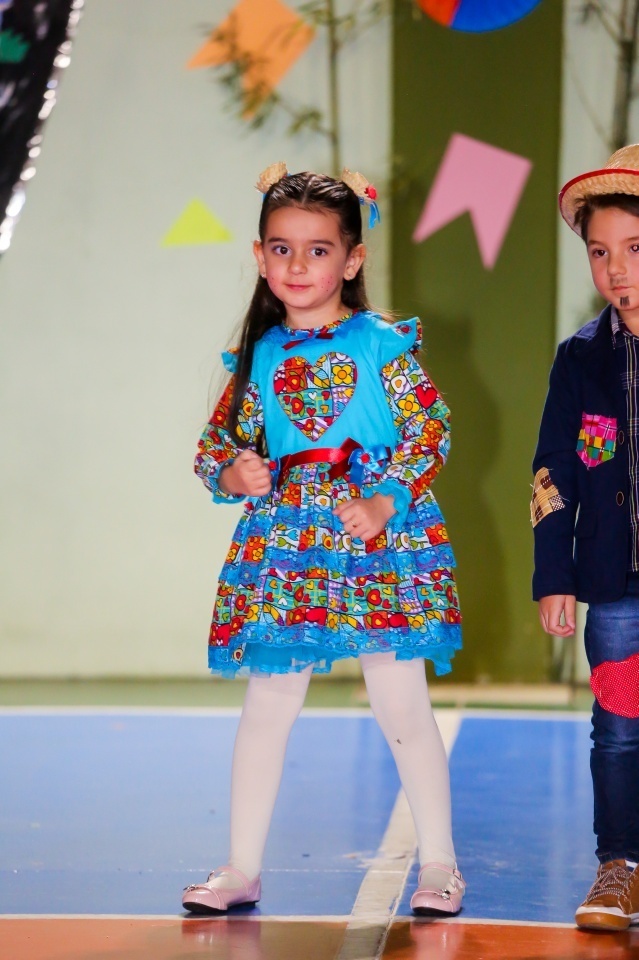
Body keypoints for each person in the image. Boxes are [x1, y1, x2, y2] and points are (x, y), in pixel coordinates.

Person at [182, 163, 464, 918]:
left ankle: (439, 863)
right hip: (288, 547)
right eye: (281, 249)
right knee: (269, 702)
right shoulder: (258, 357)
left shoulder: (381, 344)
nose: (297, 265)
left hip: (377, 543)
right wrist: (232, 473)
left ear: (352, 259)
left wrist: (385, 499)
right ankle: (241, 867)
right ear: (259, 256)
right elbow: (214, 449)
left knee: (400, 703)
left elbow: (430, 431)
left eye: (317, 250)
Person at [532, 143, 639, 932]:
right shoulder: (579, 358)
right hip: (611, 580)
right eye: (599, 252)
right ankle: (617, 867)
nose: (616, 268)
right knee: (618, 730)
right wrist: (554, 574)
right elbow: (552, 472)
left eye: (633, 248)